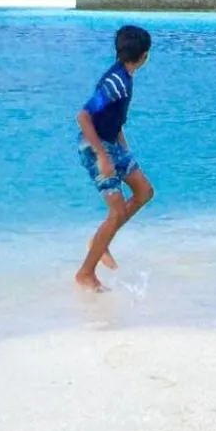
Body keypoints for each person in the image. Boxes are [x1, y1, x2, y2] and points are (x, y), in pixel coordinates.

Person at [75, 24, 154, 290]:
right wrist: (103, 157)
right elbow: (84, 117)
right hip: (95, 147)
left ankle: (101, 241)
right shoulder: (115, 83)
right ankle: (86, 273)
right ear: (144, 55)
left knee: (144, 191)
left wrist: (124, 149)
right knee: (117, 211)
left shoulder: (125, 77)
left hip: (113, 144)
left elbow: (113, 119)